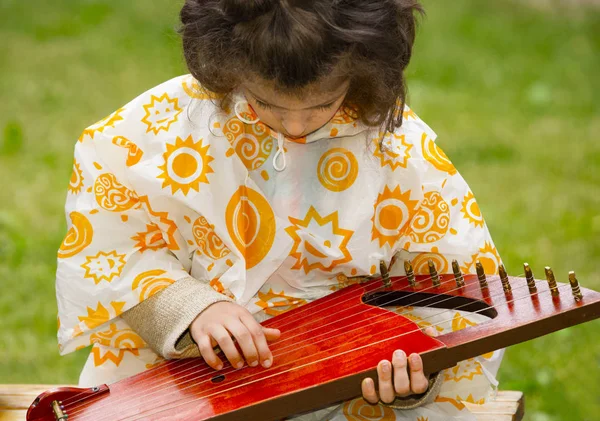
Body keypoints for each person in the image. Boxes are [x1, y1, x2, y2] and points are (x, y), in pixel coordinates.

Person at [56, 0, 504, 419]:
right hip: (186, 384)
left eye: (322, 104)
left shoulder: (398, 148)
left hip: (343, 390)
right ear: (227, 68)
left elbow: (450, 286)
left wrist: (415, 371)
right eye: (266, 102)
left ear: (365, 70)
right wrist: (190, 311)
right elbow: (109, 249)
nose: (294, 125)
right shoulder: (156, 130)